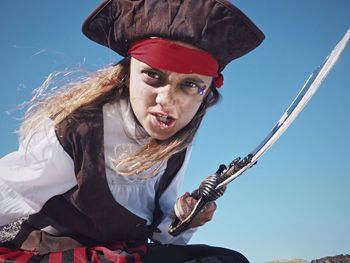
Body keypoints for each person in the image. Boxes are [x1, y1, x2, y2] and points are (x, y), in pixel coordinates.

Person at [0, 0, 264, 262]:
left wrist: (186, 217)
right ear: (127, 75)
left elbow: (163, 236)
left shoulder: (177, 146)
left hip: (126, 252)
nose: (167, 100)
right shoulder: (77, 129)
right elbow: (7, 192)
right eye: (153, 76)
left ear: (206, 94)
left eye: (190, 84)